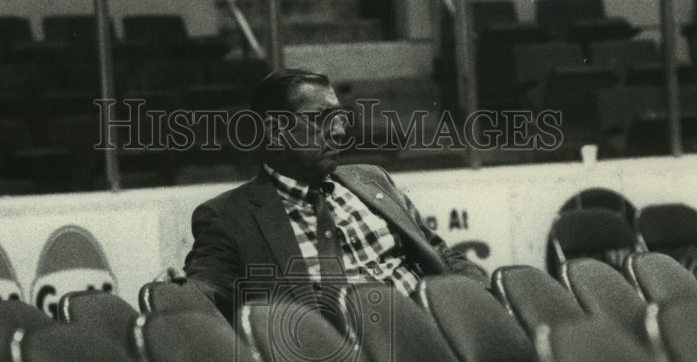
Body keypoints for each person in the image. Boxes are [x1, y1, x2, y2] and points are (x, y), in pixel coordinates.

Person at [182, 68, 488, 322]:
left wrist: (481, 297)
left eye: (341, 118)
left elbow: (442, 254)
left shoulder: (372, 179)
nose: (340, 132)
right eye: (322, 118)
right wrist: (177, 291)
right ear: (276, 131)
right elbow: (207, 288)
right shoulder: (229, 216)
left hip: (438, 334)